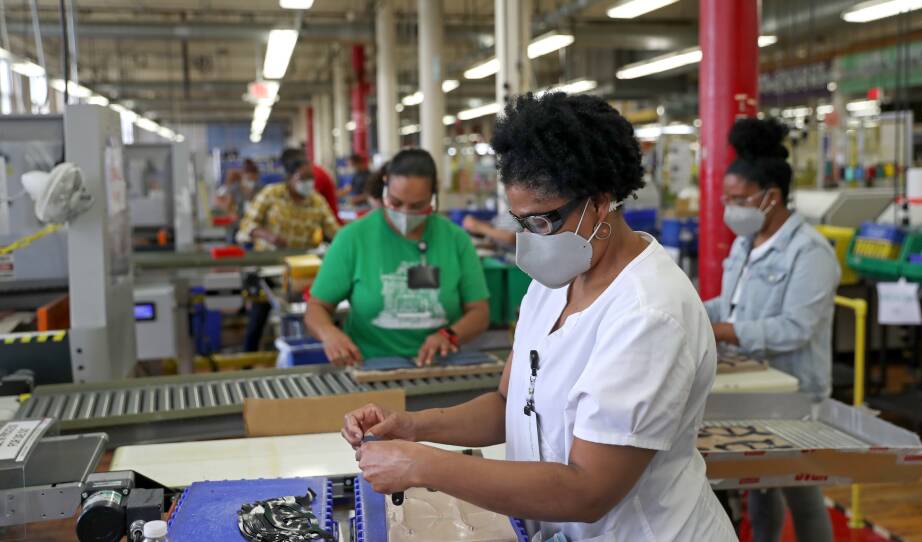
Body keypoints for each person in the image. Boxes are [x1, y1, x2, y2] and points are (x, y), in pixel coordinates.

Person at [339, 93, 736, 541]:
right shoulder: (556, 281)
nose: (531, 240)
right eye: (521, 223)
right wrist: (413, 427)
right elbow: (507, 405)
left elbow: (588, 491)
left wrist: (421, 464)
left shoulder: (648, 314)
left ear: (600, 203)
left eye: (542, 222)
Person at [704, 118, 840, 542]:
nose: (731, 208)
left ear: (771, 197)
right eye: (727, 199)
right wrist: (685, 309)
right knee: (757, 488)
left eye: (739, 198)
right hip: (750, 385)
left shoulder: (810, 252)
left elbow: (795, 328)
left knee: (802, 492)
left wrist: (723, 331)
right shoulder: (746, 244)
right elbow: (730, 305)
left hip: (795, 390)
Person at [305, 149, 490, 366]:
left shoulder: (456, 240)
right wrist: (329, 333)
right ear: (384, 188)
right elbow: (316, 308)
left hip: (440, 365)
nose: (404, 212)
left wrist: (449, 335)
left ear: (433, 196)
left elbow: (479, 312)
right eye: (395, 202)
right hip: (370, 364)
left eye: (417, 206)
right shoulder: (353, 238)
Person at [237, 148, 341, 351]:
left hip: (302, 270)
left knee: (308, 316)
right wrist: (269, 236)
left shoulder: (316, 201)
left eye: (311, 178)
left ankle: (301, 355)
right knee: (259, 317)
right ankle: (247, 360)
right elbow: (247, 225)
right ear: (290, 177)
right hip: (269, 268)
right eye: (303, 178)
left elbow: (335, 232)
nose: (308, 183)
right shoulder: (271, 194)